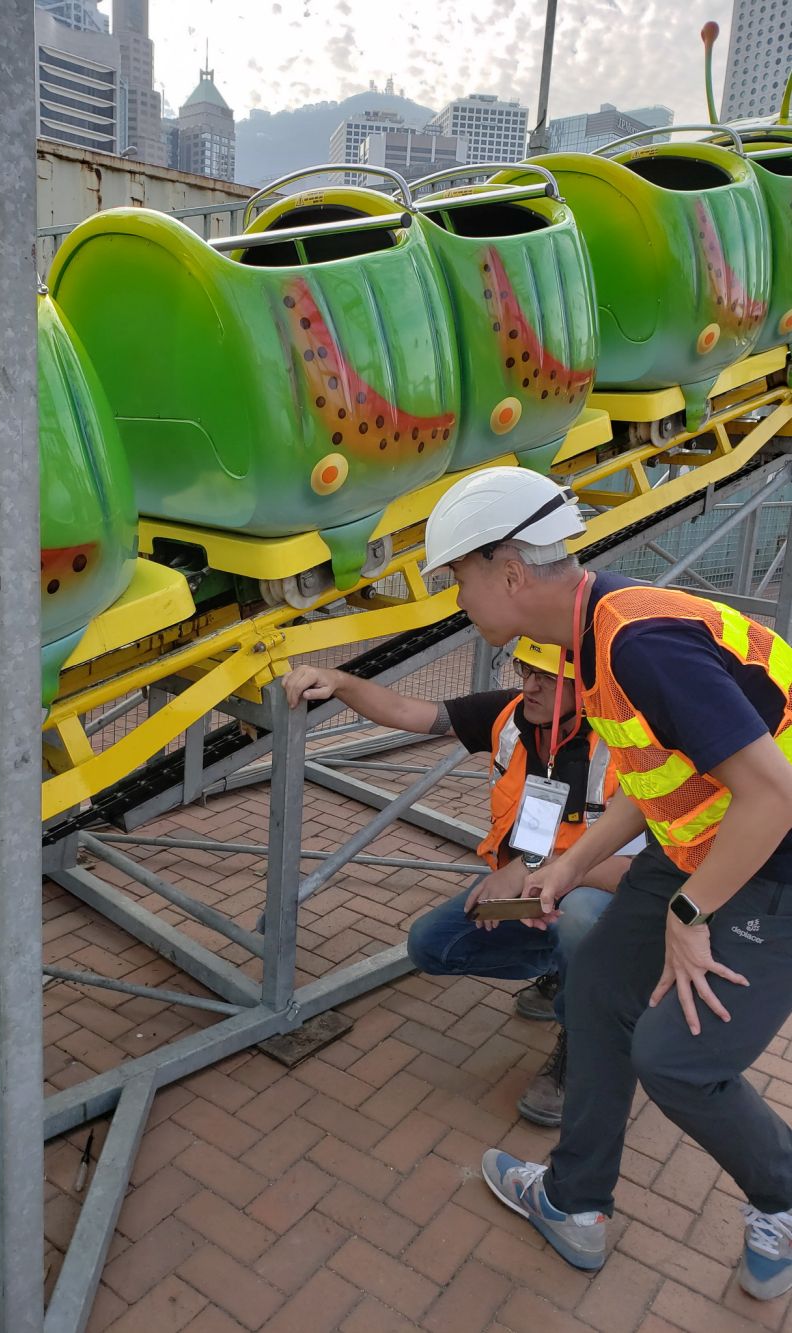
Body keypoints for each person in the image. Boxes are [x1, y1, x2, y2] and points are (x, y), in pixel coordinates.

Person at [419, 465, 792, 1299]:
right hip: (701, 834)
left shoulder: (636, 639)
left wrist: (690, 913)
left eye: (459, 580)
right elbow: (654, 778)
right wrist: (572, 865)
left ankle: (785, 1196)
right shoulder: (591, 636)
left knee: (677, 1060)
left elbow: (774, 794)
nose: (460, 601)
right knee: (594, 988)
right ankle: (574, 1201)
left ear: (509, 572)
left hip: (772, 853)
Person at [281, 636, 634, 1127]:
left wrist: (533, 869)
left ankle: (584, 1046)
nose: (528, 685)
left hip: (601, 899)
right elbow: (408, 711)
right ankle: (568, 972)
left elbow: (637, 873)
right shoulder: (509, 714)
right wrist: (340, 682)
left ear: (586, 688)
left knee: (581, 921)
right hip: (529, 897)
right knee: (432, 946)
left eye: (546, 677)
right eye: (524, 670)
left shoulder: (629, 748)